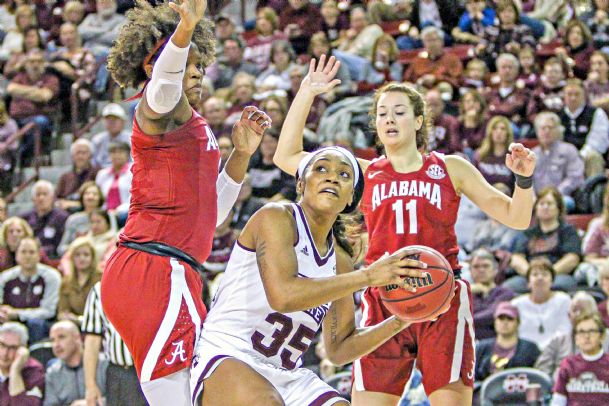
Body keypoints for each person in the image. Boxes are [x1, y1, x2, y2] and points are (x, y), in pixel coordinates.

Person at [274, 55, 536, 405]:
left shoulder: (450, 168)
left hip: (441, 299)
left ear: (418, 120)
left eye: (398, 112)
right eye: (382, 113)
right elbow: (286, 156)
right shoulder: (363, 174)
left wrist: (524, 179)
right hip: (385, 299)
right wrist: (307, 92)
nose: (389, 119)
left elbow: (516, 217)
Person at [99, 0, 271, 403]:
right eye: (186, 62)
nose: (195, 71)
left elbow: (212, 215)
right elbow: (164, 83)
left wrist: (241, 156)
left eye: (199, 65)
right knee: (185, 392)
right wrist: (184, 30)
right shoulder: (154, 109)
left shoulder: (193, 126)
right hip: (154, 267)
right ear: (151, 65)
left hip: (169, 269)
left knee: (202, 388)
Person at [190, 145, 435, 405]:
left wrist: (403, 318)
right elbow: (283, 297)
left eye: (344, 174)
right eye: (321, 168)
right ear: (300, 183)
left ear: (351, 197)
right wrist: (369, 277)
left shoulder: (340, 260)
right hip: (228, 354)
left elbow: (340, 348)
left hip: (285, 374)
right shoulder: (275, 217)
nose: (332, 177)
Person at [82, 281, 146, 406]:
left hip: (151, 372)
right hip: (119, 372)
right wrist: (90, 385)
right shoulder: (100, 288)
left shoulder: (154, 283)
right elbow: (92, 342)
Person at [0, 237, 62, 343]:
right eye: (23, 252)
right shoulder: (6, 277)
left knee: (35, 323)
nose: (27, 256)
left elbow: (48, 311)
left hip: (40, 324)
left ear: (39, 255)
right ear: (16, 255)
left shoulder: (51, 276)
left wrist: (18, 314)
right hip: (9, 321)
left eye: (31, 252)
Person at [535, 292, 608, 379]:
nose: (578, 314)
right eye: (574, 310)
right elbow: (541, 372)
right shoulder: (558, 341)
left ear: (596, 314)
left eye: (583, 309)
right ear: (569, 316)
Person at [511, 257, 572, 350]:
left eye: (545, 274)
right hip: (525, 351)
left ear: (552, 281)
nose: (540, 278)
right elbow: (514, 333)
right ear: (528, 282)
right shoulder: (516, 304)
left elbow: (565, 330)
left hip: (556, 350)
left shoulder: (563, 300)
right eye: (535, 275)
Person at [44, 320, 107, 406]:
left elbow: (120, 399)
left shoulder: (104, 364)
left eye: (61, 337)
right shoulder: (53, 373)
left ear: (77, 338)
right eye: (52, 340)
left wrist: (91, 403)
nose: (56, 344)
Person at [551, 313, 609, 405]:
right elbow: (558, 400)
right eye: (581, 332)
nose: (586, 336)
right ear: (576, 338)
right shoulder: (568, 364)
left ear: (602, 336)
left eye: (592, 331)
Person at [474, 301, 540, 381]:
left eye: (510, 319)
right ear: (495, 322)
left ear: (518, 323)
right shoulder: (481, 348)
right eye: (501, 318)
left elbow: (537, 378)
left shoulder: (531, 349)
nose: (505, 322)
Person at [470, 248, 515, 340]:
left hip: (491, 343)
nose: (481, 270)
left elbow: (491, 315)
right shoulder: (464, 293)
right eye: (476, 267)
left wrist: (463, 321)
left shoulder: (504, 293)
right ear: (470, 271)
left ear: (495, 270)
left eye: (486, 266)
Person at [21, 180, 70, 260]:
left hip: (53, 258)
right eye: (38, 194)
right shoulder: (24, 218)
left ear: (52, 197)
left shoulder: (63, 217)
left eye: (45, 194)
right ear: (33, 199)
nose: (41, 198)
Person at [57, 237, 102, 324]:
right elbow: (62, 311)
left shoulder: (101, 279)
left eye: (86, 255)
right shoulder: (66, 281)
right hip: (72, 325)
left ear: (92, 257)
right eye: (77, 255)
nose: (82, 258)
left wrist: (79, 319)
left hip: (97, 324)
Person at [0, 322, 44, 405]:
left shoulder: (34, 371)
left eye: (12, 348)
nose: (4, 353)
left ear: (23, 350)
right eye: (1, 345)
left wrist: (15, 371)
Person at [55, 139, 100, 212]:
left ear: (90, 155)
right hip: (65, 210)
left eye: (84, 153)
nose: (80, 156)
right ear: (72, 156)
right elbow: (57, 197)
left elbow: (99, 197)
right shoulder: (65, 177)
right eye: (78, 153)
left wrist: (75, 203)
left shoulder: (98, 173)